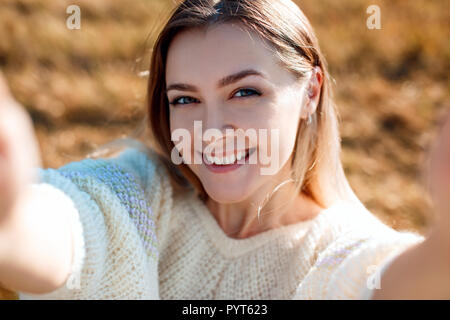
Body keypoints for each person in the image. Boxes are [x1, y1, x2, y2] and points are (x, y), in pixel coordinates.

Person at [0, 0, 447, 300]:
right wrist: (10, 217)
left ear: (310, 91)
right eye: (185, 99)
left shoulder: (342, 256)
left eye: (245, 92)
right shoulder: (141, 195)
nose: (211, 131)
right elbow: (66, 228)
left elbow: (395, 283)